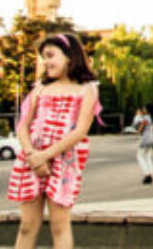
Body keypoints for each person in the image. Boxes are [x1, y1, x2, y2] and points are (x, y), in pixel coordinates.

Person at [7, 33, 100, 249]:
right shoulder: (39, 88)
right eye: (43, 57)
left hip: (64, 161)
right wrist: (33, 156)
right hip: (32, 161)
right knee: (27, 226)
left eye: (51, 55)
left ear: (69, 56)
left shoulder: (87, 90)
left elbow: (80, 131)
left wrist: (46, 156)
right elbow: (23, 126)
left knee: (60, 225)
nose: (46, 62)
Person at [133, 105, 153, 184]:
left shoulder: (146, 118)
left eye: (144, 108)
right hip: (152, 138)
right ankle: (151, 173)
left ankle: (147, 174)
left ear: (147, 110)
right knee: (148, 156)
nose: (143, 109)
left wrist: (137, 116)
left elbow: (140, 128)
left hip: (145, 139)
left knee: (139, 156)